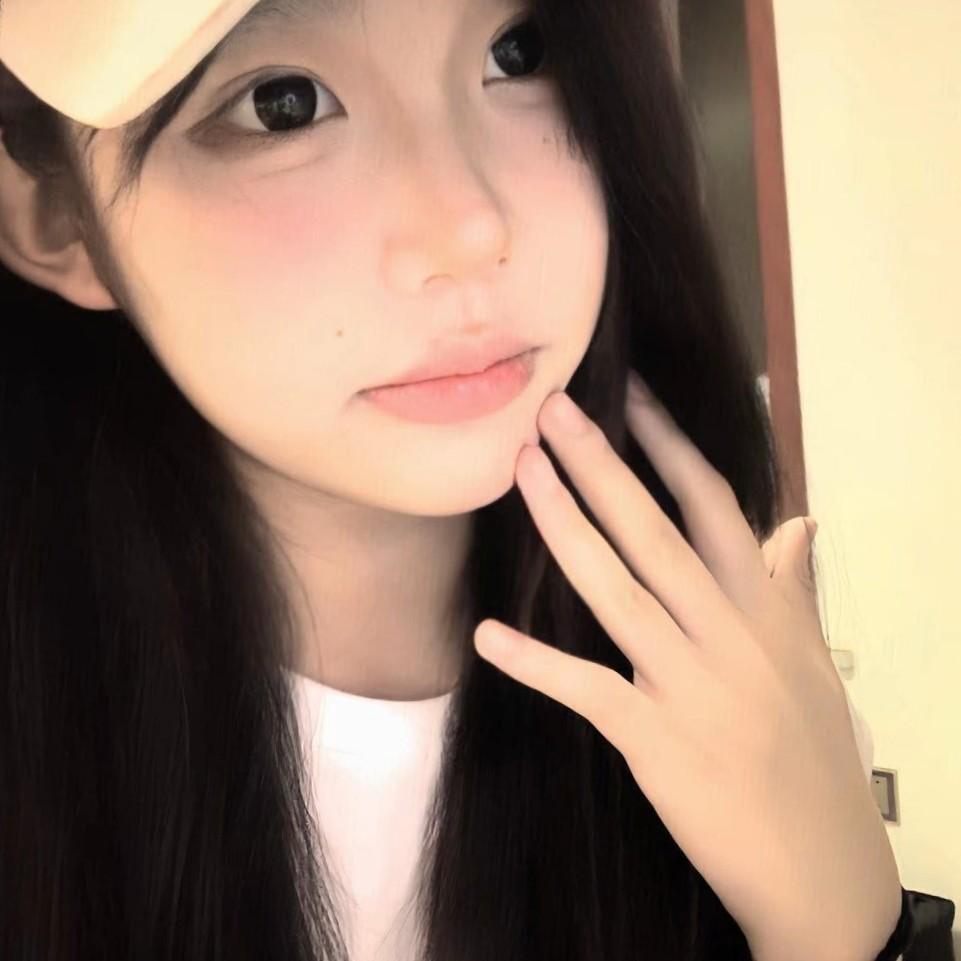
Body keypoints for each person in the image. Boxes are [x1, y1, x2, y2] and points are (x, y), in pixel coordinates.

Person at [0, 1, 914, 959]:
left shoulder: (745, 712)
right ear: (59, 216)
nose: (470, 227)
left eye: (518, 53)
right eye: (282, 104)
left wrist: (838, 927)